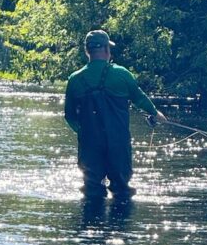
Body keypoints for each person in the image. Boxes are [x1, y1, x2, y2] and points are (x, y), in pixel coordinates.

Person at [64, 29, 166, 201]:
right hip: (118, 144)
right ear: (106, 49)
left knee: (92, 191)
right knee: (121, 191)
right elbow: (139, 98)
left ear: (86, 51)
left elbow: (69, 116)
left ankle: (91, 223)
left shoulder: (74, 80)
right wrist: (155, 113)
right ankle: (118, 226)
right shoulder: (122, 74)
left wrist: (83, 132)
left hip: (89, 145)